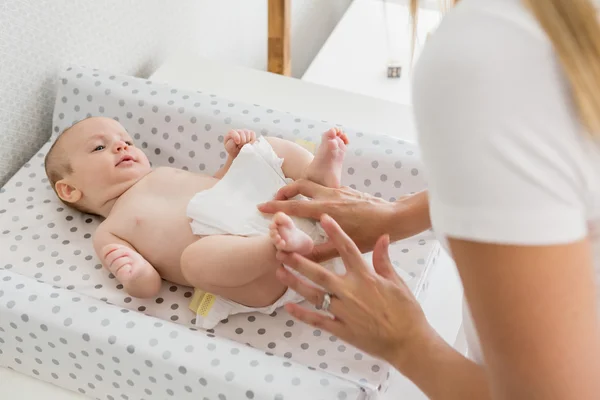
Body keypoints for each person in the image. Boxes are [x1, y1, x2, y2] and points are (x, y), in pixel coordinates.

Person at [257, 0, 600, 398]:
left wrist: (407, 344)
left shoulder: (487, 60)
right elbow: (550, 167)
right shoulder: (524, 50)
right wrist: (403, 214)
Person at [44, 116, 349, 328]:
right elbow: (148, 285)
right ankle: (277, 247)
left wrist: (235, 159)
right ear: (70, 189)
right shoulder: (108, 232)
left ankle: (319, 184)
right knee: (194, 262)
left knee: (266, 148)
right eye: (100, 147)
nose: (122, 147)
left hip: (270, 210)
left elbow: (220, 184)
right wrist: (133, 274)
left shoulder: (162, 173)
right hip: (253, 271)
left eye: (126, 141)